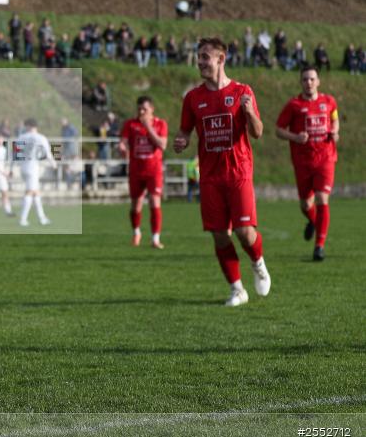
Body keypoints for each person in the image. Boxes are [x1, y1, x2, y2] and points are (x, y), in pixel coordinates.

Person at [173, 37, 271, 307]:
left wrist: (250, 113)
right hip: (210, 177)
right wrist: (181, 140)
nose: (200, 61)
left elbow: (258, 132)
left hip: (238, 173)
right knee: (219, 234)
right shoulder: (193, 98)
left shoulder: (242, 91)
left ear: (221, 59)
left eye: (205, 56)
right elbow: (184, 130)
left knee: (244, 231)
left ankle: (258, 262)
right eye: (199, 56)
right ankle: (237, 289)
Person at [275, 67, 339, 261]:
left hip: (326, 158)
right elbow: (278, 130)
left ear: (318, 81)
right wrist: (295, 137)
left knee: (321, 198)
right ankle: (313, 221)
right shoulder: (294, 105)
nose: (309, 83)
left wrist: (335, 131)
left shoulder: (328, 102)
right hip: (302, 162)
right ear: (300, 82)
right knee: (305, 204)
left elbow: (334, 118)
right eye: (305, 79)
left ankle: (319, 246)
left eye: (312, 79)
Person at [119, 96, 168, 248]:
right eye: (139, 109)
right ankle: (136, 232)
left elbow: (162, 144)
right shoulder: (130, 124)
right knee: (136, 205)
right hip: (136, 170)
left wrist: (148, 128)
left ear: (152, 109)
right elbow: (124, 142)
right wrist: (122, 147)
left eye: (144, 109)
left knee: (154, 201)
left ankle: (155, 238)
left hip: (154, 170)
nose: (141, 112)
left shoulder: (160, 124)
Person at [12, 118, 56, 227]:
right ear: (35, 126)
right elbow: (48, 152)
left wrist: (11, 168)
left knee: (36, 193)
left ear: (28, 126)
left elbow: (15, 154)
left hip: (23, 168)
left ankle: (42, 218)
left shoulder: (21, 137)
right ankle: (23, 219)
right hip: (33, 167)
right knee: (30, 192)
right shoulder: (40, 137)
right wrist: (54, 164)